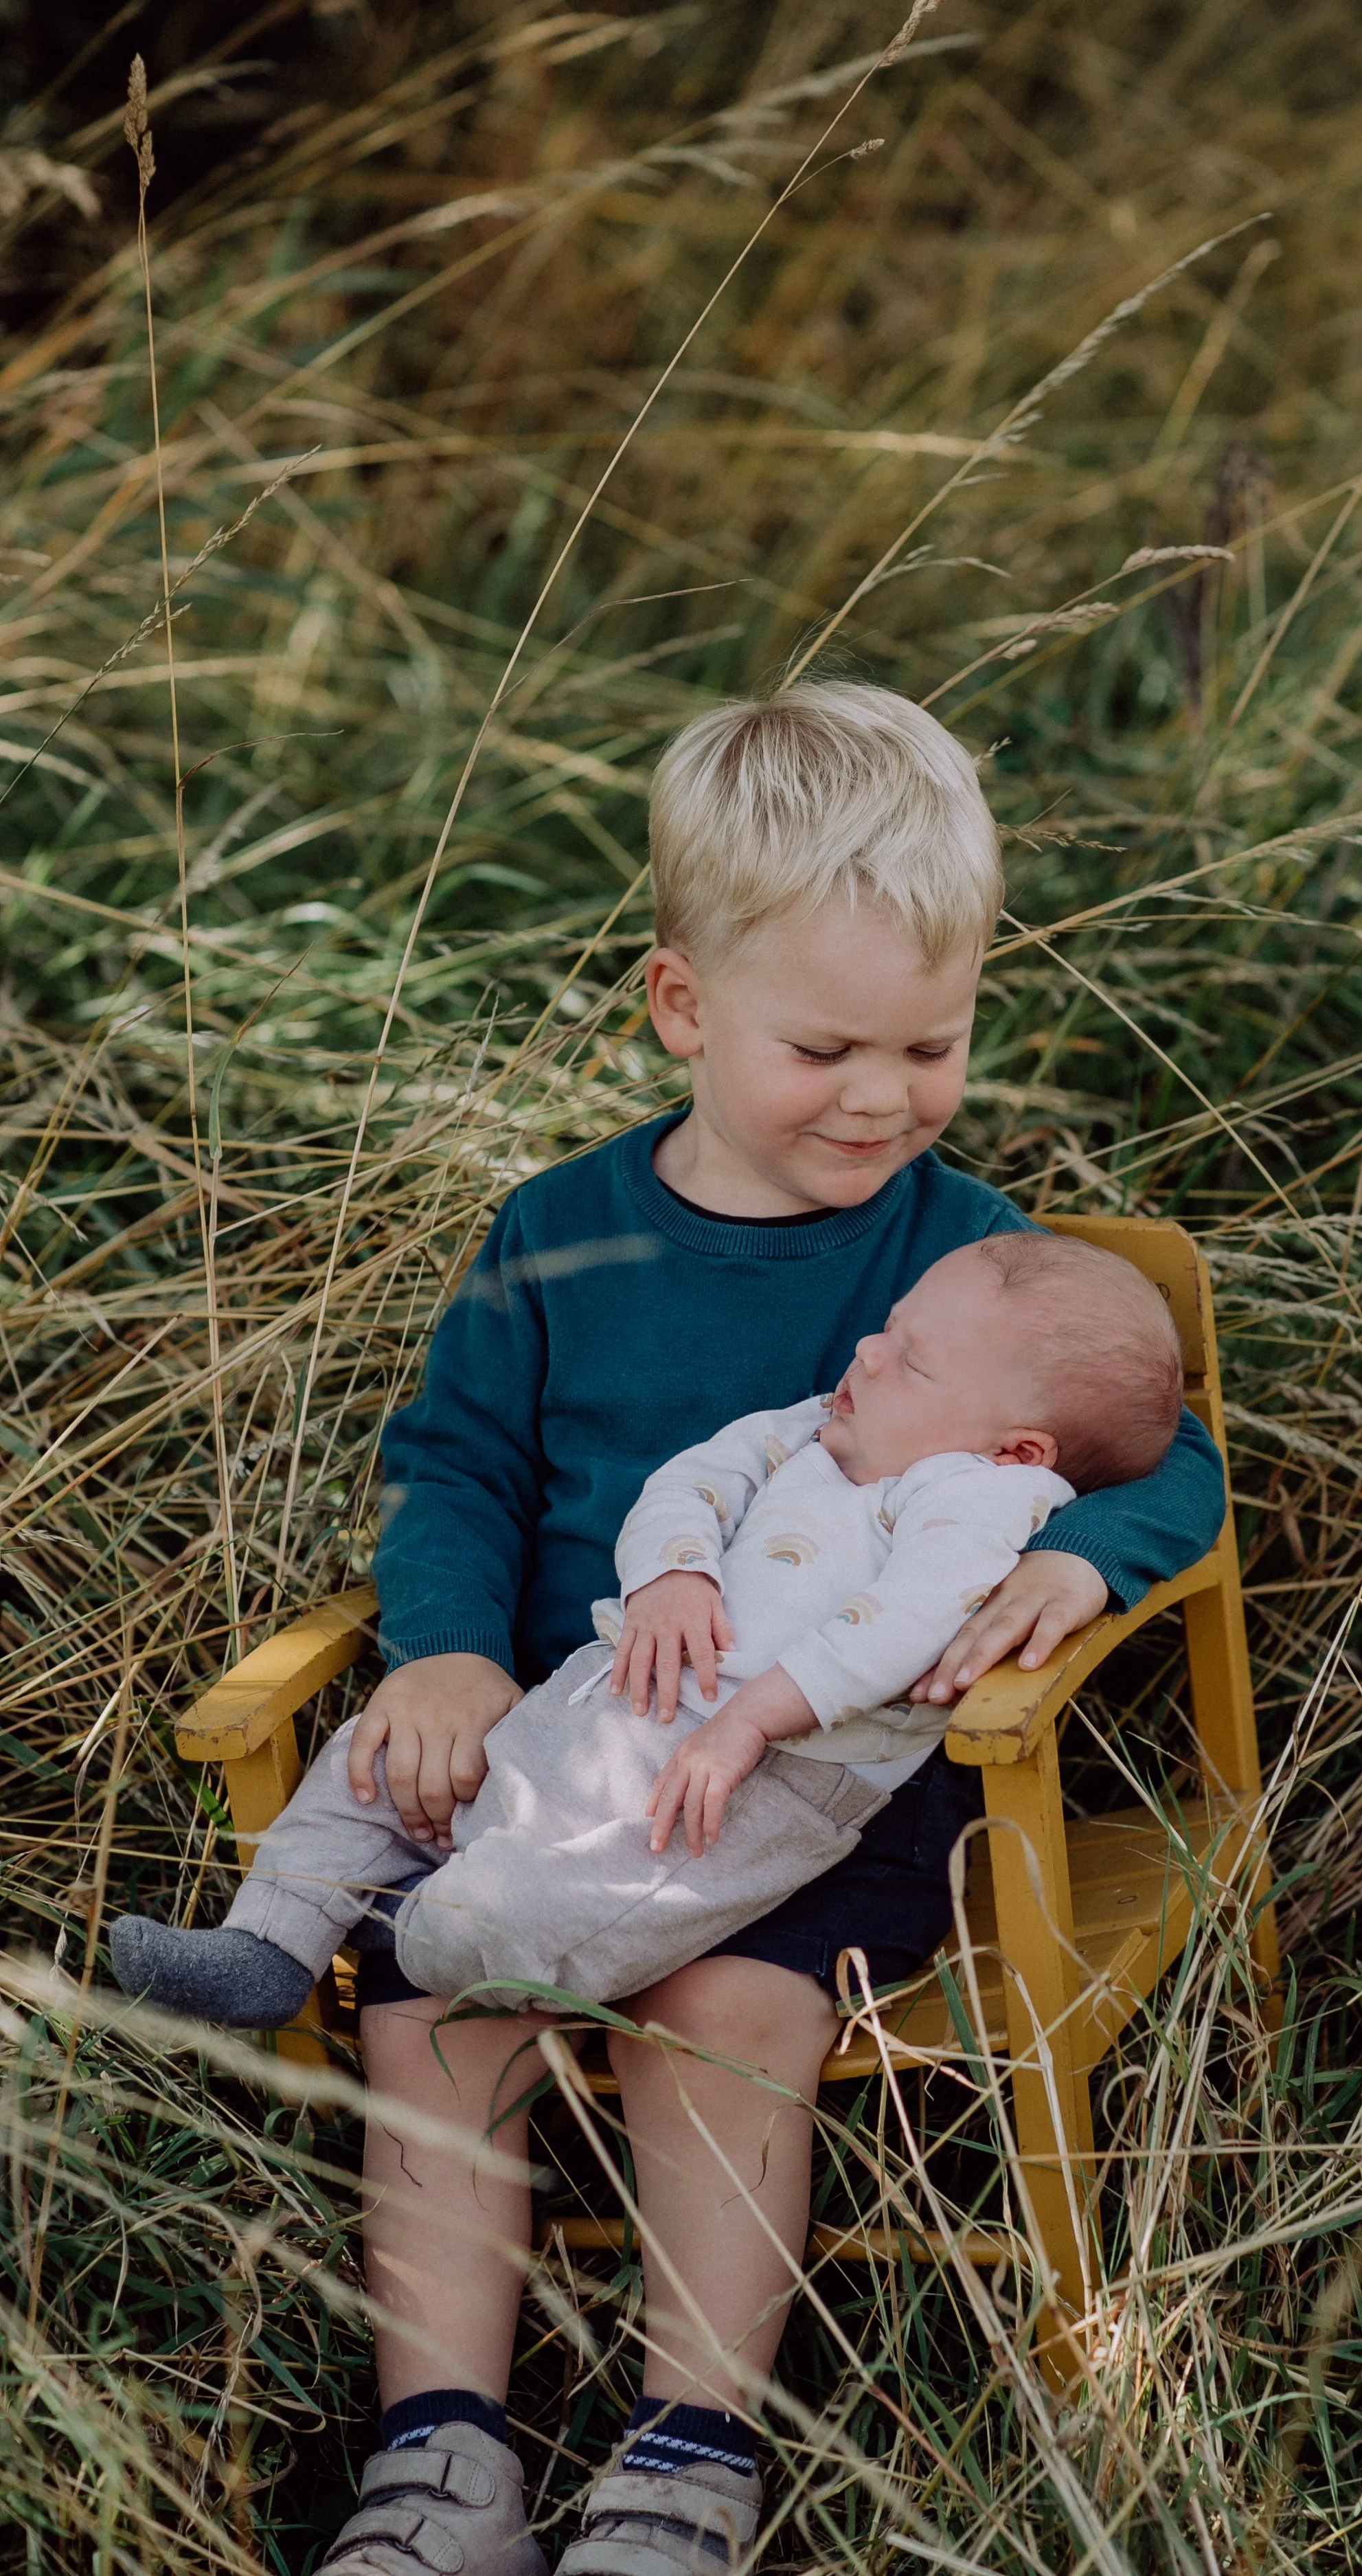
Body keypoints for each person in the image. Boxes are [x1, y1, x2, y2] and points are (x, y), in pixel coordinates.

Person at [131, 684, 1228, 2576]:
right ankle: (441, 2454)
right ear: (681, 1007)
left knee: (718, 2004)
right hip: (570, 1756)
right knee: (427, 1996)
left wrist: (1089, 1557)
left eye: (930, 1042)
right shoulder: (559, 1238)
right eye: (824, 1045)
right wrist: (452, 1646)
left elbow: (1155, 1449)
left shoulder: (956, 1249)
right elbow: (454, 1464)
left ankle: (685, 2452)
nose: (881, 1095)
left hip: (817, 1789)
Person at [110, 1232, 1183, 2026]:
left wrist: (750, 1721)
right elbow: (693, 1480)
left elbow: (908, 1622)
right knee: (368, 1761)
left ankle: (448, 1933)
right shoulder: (820, 1424)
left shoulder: (979, 1501)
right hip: (610, 1700)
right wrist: (672, 1574)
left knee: (600, 1887)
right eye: (887, 1326)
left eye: (912, 1359)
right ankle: (265, 1948)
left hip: (759, 1781)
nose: (867, 1349)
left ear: (1019, 1450)